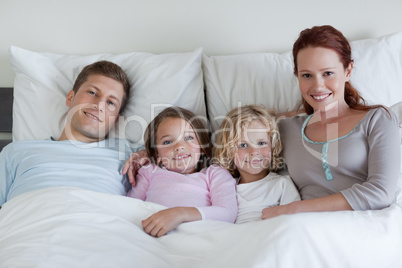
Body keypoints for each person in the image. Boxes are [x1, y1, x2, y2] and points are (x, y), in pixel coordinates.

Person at [262, 25, 401, 219]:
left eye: (327, 73)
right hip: (305, 232)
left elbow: (380, 193)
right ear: (297, 76)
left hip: (364, 226)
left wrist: (293, 209)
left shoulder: (377, 119)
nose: (318, 86)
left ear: (348, 70)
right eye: (307, 75)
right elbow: (240, 148)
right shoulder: (287, 128)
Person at [0, 60, 132, 208]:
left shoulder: (130, 154)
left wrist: (147, 153)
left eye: (111, 103)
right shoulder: (16, 152)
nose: (99, 105)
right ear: (70, 98)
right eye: (92, 92)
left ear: (115, 120)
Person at [126, 106, 238, 237]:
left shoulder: (215, 174)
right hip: (154, 238)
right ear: (157, 154)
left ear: (201, 146)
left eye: (189, 138)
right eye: (168, 141)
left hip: (200, 237)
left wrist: (180, 214)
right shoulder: (149, 172)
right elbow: (130, 208)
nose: (179, 147)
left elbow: (227, 213)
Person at [213, 105, 300, 224]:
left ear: (272, 147)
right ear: (228, 151)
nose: (254, 152)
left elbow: (296, 220)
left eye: (261, 143)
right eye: (243, 145)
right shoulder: (224, 188)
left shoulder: (282, 184)